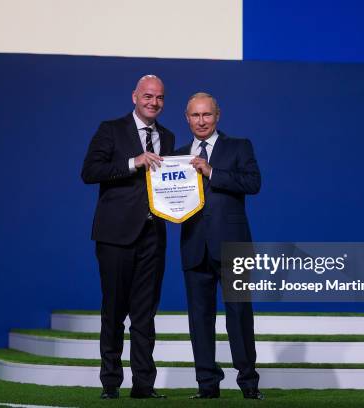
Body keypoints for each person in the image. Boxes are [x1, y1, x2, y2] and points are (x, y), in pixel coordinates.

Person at [81, 75, 175, 399]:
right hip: (115, 236)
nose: (153, 102)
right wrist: (134, 162)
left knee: (145, 315)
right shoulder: (111, 129)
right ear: (135, 96)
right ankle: (110, 384)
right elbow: (89, 172)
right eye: (148, 96)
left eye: (159, 97)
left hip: (153, 235)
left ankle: (144, 386)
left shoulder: (168, 136)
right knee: (114, 312)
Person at [176, 92, 263, 399]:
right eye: (195, 116)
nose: (201, 121)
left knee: (239, 315)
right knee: (199, 319)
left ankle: (249, 385)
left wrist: (212, 172)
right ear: (187, 119)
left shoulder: (239, 147)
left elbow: (253, 183)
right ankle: (207, 386)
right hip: (194, 247)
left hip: (233, 247)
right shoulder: (177, 155)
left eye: (207, 115)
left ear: (218, 116)